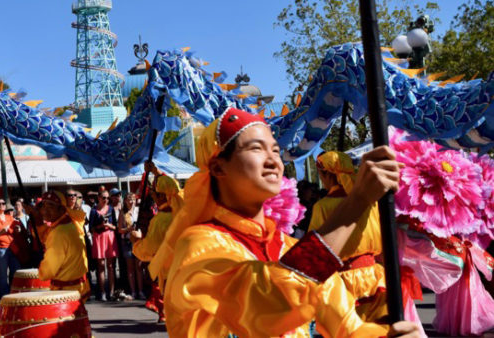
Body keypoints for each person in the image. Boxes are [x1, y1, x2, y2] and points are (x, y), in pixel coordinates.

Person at [149, 108, 420, 337]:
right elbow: (268, 301)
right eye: (256, 148)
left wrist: (386, 334)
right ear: (219, 167)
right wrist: (356, 202)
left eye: (276, 150)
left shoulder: (287, 247)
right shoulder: (199, 245)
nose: (273, 161)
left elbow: (346, 328)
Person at [309, 151, 388, 324]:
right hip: (376, 275)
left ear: (325, 174)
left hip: (346, 280)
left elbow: (314, 253)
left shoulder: (323, 206)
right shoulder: (370, 200)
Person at [132, 161, 185, 322]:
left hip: (169, 271)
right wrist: (156, 172)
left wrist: (136, 242)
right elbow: (174, 188)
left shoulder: (161, 220)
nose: (153, 195)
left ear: (162, 196)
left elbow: (149, 249)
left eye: (156, 192)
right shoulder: (183, 213)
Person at [32, 191, 91, 303]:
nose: (45, 210)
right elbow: (46, 237)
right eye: (43, 206)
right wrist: (38, 221)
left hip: (66, 293)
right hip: (76, 288)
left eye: (51, 206)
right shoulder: (70, 222)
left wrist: (41, 274)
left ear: (61, 209)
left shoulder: (59, 232)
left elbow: (50, 268)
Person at [0, 199, 20, 299]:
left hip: (12, 247)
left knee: (16, 272)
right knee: (2, 275)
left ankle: (15, 295)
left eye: (3, 203)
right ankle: (4, 297)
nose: (1, 205)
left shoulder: (10, 217)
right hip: (0, 249)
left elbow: (15, 230)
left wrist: (18, 229)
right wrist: (1, 232)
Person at [89, 191, 118, 301]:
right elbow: (91, 228)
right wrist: (101, 225)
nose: (106, 200)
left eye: (107, 198)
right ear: (99, 198)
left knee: (111, 266)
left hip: (109, 236)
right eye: (103, 197)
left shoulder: (111, 209)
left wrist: (108, 225)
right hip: (99, 237)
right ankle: (102, 292)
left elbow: (116, 226)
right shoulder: (93, 210)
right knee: (100, 266)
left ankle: (111, 291)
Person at [118, 192, 144, 301]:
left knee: (139, 267)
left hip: (138, 241)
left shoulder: (138, 211)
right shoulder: (122, 213)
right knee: (130, 269)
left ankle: (141, 291)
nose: (131, 201)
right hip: (128, 242)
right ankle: (133, 291)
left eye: (132, 199)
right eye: (129, 199)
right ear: (125, 201)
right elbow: (119, 230)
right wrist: (128, 229)